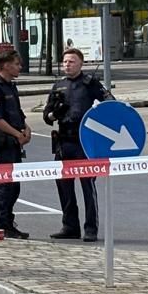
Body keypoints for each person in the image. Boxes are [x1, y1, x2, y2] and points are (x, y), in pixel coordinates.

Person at [43, 46, 110, 242]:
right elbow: (46, 116)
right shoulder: (58, 86)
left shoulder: (90, 84)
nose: (67, 65)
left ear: (81, 63)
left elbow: (110, 103)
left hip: (85, 142)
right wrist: (55, 113)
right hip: (64, 142)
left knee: (87, 185)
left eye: (71, 61)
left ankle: (91, 228)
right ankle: (70, 226)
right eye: (65, 61)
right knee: (64, 186)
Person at [0, 46, 31, 238]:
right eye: (16, 64)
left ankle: (9, 222)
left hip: (15, 142)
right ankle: (1, 222)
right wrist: (16, 134)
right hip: (5, 143)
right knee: (5, 184)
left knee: (14, 185)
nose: (20, 67)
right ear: (4, 66)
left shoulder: (11, 87)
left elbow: (17, 113)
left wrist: (26, 129)